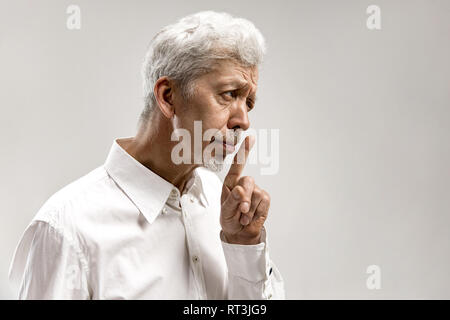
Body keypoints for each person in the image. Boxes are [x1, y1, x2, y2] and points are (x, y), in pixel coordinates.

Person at [9, 11, 285, 299]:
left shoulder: (222, 205)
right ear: (168, 96)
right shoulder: (67, 228)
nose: (243, 121)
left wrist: (243, 244)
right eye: (229, 94)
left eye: (248, 102)